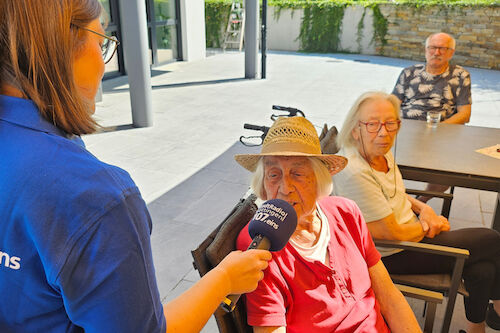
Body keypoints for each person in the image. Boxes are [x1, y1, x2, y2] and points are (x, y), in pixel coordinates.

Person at [0, 1, 271, 332]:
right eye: (101, 43)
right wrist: (224, 277)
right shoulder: (96, 198)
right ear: (61, 43)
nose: (103, 64)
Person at [333, 91, 500, 333]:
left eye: (391, 123)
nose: (383, 132)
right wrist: (427, 226)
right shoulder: (356, 171)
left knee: (483, 267)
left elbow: (393, 193)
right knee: (492, 240)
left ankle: (478, 328)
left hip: (409, 233)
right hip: (393, 254)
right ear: (355, 128)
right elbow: (389, 233)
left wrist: (424, 208)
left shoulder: (379, 151)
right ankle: (497, 312)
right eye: (372, 124)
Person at [234, 116, 421, 332]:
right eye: (273, 174)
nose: (285, 188)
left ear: (319, 179)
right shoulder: (260, 245)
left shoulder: (346, 212)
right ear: (264, 187)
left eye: (297, 174)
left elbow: (389, 297)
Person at [392, 32, 472, 202]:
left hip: (442, 133)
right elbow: (392, 103)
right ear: (426, 50)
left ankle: (420, 201)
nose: (436, 52)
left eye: (442, 48)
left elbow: (465, 114)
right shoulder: (409, 72)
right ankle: (392, 198)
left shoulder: (460, 75)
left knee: (452, 170)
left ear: (451, 52)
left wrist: (436, 129)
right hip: (406, 130)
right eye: (432, 48)